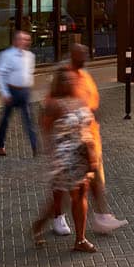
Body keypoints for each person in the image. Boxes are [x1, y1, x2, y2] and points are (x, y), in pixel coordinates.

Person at [57, 43, 127, 234]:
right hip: (71, 140)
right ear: (73, 55)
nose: (85, 57)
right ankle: (55, 216)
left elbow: (92, 102)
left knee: (94, 178)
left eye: (86, 54)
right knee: (65, 185)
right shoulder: (65, 76)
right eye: (82, 54)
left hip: (89, 137)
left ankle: (100, 217)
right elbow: (55, 106)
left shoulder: (84, 75)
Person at [32, 68, 98, 254]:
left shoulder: (80, 100)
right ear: (59, 84)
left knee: (79, 195)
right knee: (71, 197)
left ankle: (79, 239)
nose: (70, 83)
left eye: (71, 80)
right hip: (64, 156)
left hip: (82, 153)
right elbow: (45, 130)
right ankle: (42, 227)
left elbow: (88, 125)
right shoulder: (53, 105)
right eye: (66, 81)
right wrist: (51, 155)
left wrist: (91, 150)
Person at [0, 31, 38, 157]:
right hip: (11, 91)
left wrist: (28, 86)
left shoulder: (30, 56)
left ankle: (34, 145)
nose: (25, 42)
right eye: (22, 39)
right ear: (16, 41)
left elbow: (30, 72)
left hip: (24, 91)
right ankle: (0, 144)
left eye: (27, 39)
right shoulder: (7, 55)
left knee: (28, 119)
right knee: (6, 120)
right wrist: (4, 92)